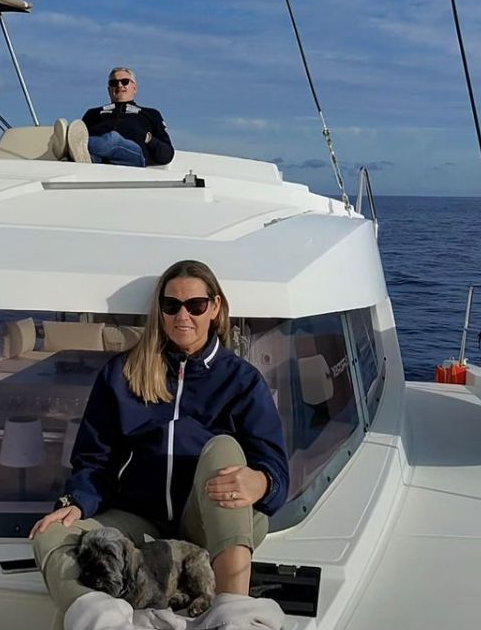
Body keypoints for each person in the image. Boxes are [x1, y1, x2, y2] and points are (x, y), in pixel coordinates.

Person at [30, 260, 289, 611]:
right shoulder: (123, 373)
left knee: (223, 449)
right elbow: (95, 458)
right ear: (160, 310)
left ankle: (233, 613)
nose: (183, 316)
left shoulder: (241, 380)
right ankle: (99, 620)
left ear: (214, 307)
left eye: (195, 305)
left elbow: (274, 468)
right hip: (141, 520)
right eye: (171, 306)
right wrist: (76, 501)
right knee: (51, 534)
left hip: (209, 523)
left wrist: (261, 482)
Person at [51, 67, 174, 167]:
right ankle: (85, 157)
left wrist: (150, 139)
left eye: (124, 82)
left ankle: (66, 146)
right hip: (102, 160)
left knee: (112, 139)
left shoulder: (150, 114)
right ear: (109, 89)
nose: (119, 85)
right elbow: (80, 134)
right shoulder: (93, 113)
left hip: (133, 156)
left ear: (134, 88)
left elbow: (167, 155)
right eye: (114, 83)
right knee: (91, 154)